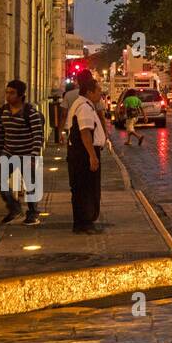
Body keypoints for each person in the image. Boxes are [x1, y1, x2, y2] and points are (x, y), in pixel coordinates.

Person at [0, 80, 45, 226]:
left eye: (12, 93)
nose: (8, 95)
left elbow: (38, 136)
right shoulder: (3, 110)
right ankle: (14, 207)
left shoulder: (30, 112)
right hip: (9, 152)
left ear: (21, 95)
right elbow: (1, 133)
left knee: (30, 185)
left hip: (26, 153)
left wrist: (33, 156)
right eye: (7, 92)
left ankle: (33, 213)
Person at [66, 76, 107, 235]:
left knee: (81, 189)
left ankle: (82, 223)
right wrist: (92, 156)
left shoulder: (83, 104)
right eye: (98, 92)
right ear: (89, 92)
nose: (100, 95)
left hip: (80, 152)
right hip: (83, 153)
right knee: (87, 189)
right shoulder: (84, 107)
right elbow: (85, 132)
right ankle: (85, 223)